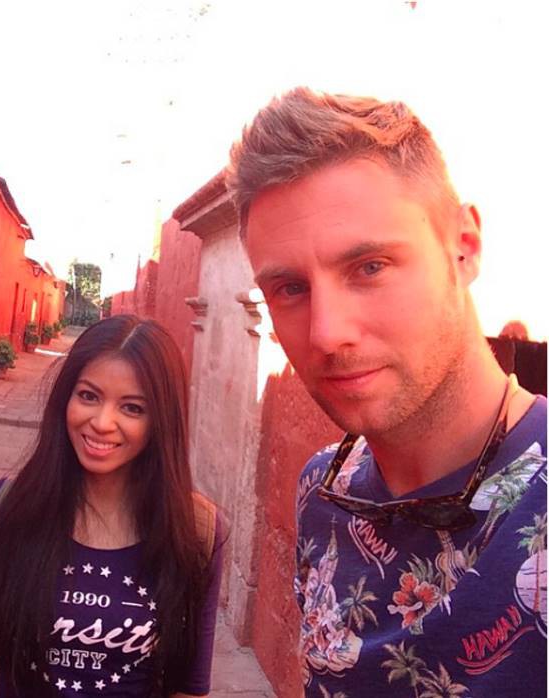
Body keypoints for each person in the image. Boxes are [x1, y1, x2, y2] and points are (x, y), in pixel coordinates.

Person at [227, 88, 546, 697]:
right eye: (290, 288)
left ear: (464, 247)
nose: (326, 334)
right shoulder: (324, 491)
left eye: (369, 267)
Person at [0, 315, 223, 698]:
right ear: (66, 398)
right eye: (88, 396)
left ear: (161, 420)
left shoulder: (195, 530)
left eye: (132, 408)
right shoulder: (5, 511)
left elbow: (188, 689)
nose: (102, 422)